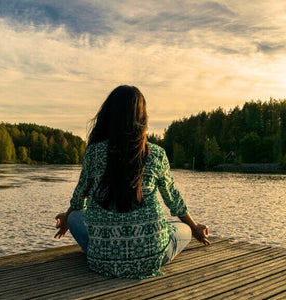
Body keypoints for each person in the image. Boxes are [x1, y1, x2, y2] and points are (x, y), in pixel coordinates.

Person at [54, 85, 210, 279]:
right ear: (142, 118)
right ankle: (168, 236)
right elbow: (174, 201)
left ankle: (105, 248)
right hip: (151, 258)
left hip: (102, 260)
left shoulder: (93, 152)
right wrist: (195, 228)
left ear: (109, 115)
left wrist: (68, 217)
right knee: (183, 228)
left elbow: (79, 198)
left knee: (76, 216)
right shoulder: (156, 154)